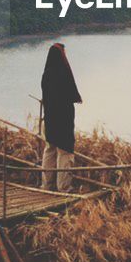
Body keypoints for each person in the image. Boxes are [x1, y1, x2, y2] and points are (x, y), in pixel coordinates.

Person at [40, 42, 82, 191]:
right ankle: (64, 186)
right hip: (62, 120)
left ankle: (47, 184)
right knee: (65, 152)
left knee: (50, 149)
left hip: (50, 119)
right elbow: (69, 95)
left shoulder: (46, 74)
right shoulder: (63, 73)